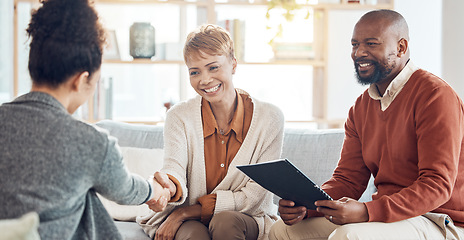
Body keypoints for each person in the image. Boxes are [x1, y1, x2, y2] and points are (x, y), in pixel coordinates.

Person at [269, 9, 464, 240]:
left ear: (401, 47)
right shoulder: (361, 107)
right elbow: (348, 180)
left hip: (439, 219)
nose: (359, 53)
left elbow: (437, 185)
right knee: (283, 230)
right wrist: (306, 206)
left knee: (350, 235)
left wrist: (366, 211)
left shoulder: (435, 96)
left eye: (371, 44)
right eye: (354, 45)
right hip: (388, 219)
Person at [0, 0, 170, 239]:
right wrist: (156, 190)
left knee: (84, 191)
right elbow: (126, 189)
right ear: (80, 81)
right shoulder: (90, 142)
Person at [136, 24, 285, 240]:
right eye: (195, 72)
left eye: (213, 67)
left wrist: (185, 212)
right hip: (190, 222)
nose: (204, 80)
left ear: (233, 64)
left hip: (245, 218)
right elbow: (174, 166)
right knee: (195, 236)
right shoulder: (179, 116)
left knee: (225, 222)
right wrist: (168, 187)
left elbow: (254, 195)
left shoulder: (270, 118)